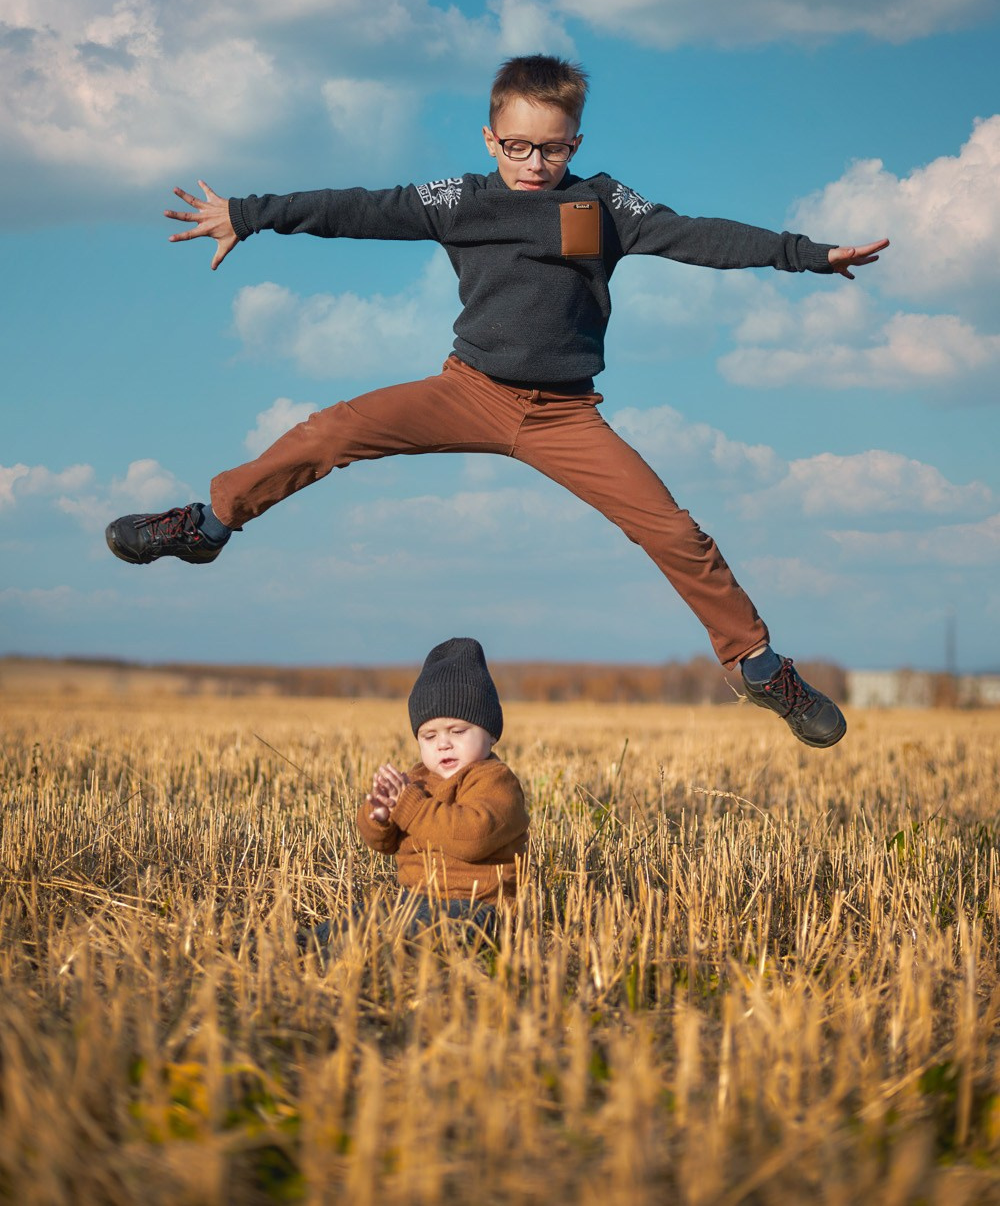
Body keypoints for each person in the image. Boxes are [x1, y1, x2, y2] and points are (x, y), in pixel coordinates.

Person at [106, 54, 890, 748]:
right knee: (331, 431)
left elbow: (696, 236)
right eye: (516, 145)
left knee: (675, 533)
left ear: (575, 144)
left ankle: (757, 665)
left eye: (551, 147)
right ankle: (208, 526)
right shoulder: (459, 200)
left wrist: (806, 256)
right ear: (490, 139)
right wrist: (249, 214)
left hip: (564, 415)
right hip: (469, 390)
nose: (534, 162)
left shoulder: (601, 204)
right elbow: (356, 208)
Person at [299, 636, 528, 950]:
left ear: (490, 733)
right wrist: (379, 816)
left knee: (416, 932)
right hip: (415, 900)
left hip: (478, 909)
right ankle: (300, 945)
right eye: (429, 735)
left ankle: (361, 956)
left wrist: (410, 806)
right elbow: (385, 844)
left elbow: (473, 837)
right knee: (365, 915)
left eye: (458, 731)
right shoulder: (417, 780)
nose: (443, 744)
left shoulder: (496, 782)